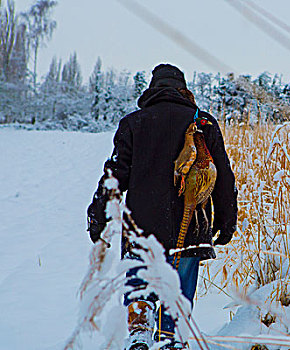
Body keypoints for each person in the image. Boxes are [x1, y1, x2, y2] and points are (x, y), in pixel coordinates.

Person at [87, 64, 238, 350]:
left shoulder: (134, 123)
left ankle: (140, 337)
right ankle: (171, 340)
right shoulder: (203, 123)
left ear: (153, 89)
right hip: (191, 227)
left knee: (140, 287)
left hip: (141, 228)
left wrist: (97, 217)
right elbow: (223, 177)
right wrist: (226, 221)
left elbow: (114, 177)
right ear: (183, 89)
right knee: (178, 293)